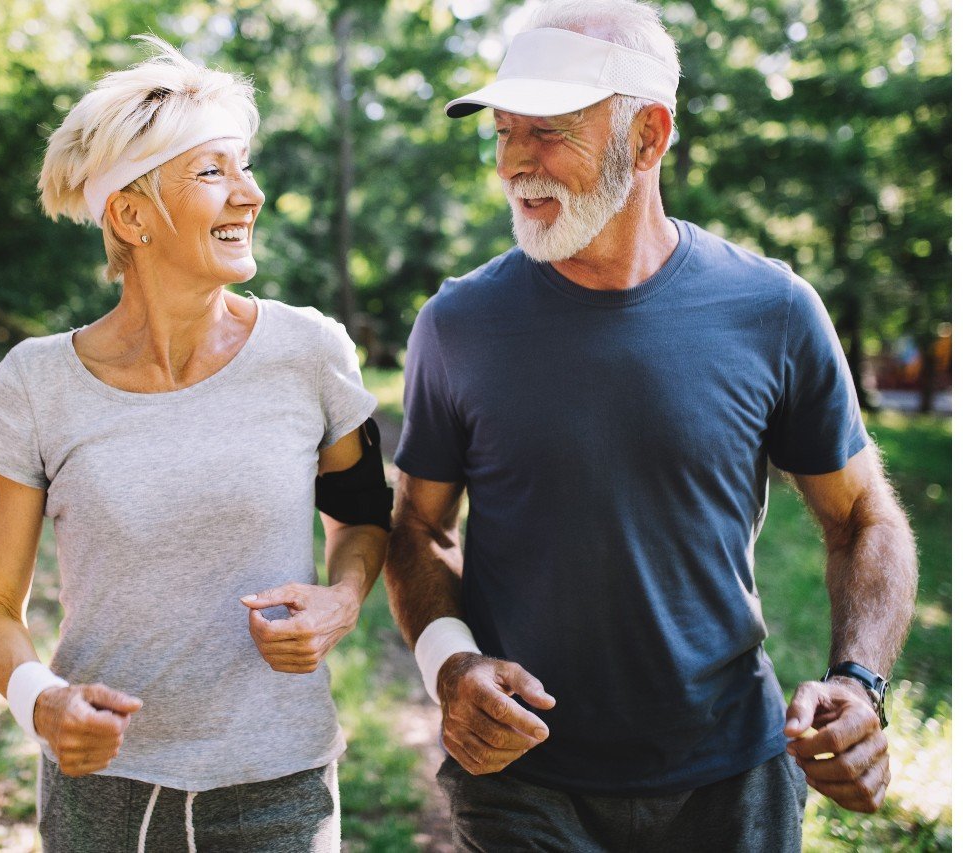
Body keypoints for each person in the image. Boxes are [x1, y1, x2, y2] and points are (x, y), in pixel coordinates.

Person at [384, 1, 919, 849]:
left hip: (732, 775)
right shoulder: (458, 324)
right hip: (523, 780)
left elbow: (863, 518)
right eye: (503, 131)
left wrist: (858, 683)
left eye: (549, 130)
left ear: (648, 137)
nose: (514, 161)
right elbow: (419, 525)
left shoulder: (773, 309)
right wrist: (451, 664)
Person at [0, 36, 392, 852]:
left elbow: (365, 513)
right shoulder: (37, 381)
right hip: (101, 796)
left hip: (278, 787)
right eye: (214, 171)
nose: (251, 193)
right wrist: (41, 702)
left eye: (246, 166)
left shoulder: (311, 350)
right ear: (130, 213)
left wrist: (342, 599)